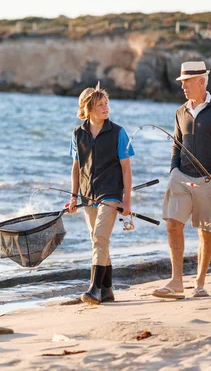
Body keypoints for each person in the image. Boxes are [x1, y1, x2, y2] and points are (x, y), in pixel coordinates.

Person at [153, 61, 211, 300]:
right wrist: (173, 170)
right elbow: (176, 145)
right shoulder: (180, 112)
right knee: (172, 224)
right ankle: (176, 281)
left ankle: (199, 283)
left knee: (205, 231)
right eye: (182, 83)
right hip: (182, 176)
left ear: (201, 81)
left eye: (187, 82)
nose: (183, 87)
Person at [68, 83, 134, 305]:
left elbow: (126, 168)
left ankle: (94, 288)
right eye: (100, 105)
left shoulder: (118, 132)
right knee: (98, 240)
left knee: (100, 238)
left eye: (107, 104)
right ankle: (107, 289)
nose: (106, 108)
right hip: (88, 195)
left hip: (111, 193)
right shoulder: (78, 134)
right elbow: (76, 167)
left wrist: (127, 200)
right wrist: (73, 196)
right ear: (88, 109)